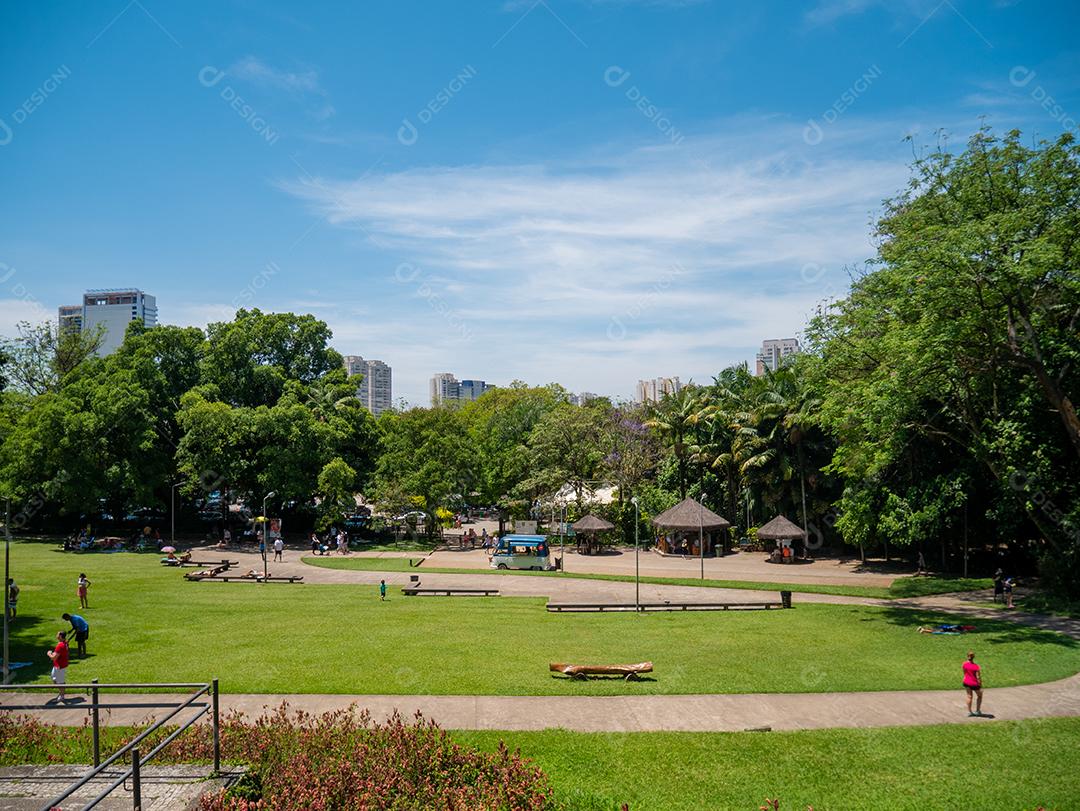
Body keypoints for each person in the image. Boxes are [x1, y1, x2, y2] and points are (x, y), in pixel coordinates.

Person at [47, 631, 69, 702]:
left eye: (58, 634)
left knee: (60, 682)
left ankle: (62, 696)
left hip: (60, 666)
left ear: (60, 636)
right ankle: (61, 692)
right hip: (58, 665)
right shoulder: (64, 643)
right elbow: (58, 654)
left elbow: (53, 658)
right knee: (54, 678)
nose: (56, 635)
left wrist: (49, 653)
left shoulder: (60, 645)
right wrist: (54, 653)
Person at [962, 651, 985, 717]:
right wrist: (980, 686)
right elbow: (978, 677)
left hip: (966, 682)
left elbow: (964, 673)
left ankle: (969, 712)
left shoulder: (964, 664)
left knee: (969, 696)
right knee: (980, 696)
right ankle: (977, 711)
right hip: (974, 684)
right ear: (973, 657)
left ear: (967, 656)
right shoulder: (976, 666)